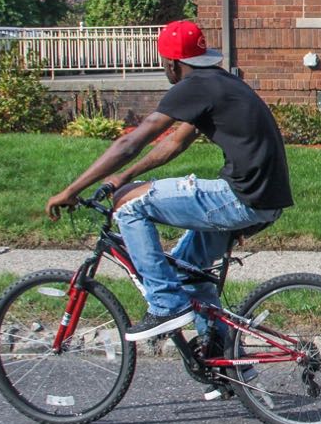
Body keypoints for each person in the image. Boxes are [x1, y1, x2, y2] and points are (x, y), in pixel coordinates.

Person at [46, 20, 293, 343]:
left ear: (173, 64)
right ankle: (225, 366)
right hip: (265, 198)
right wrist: (125, 175)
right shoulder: (219, 83)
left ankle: (165, 304)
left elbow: (129, 143)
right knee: (189, 271)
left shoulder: (196, 85)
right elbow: (175, 143)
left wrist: (70, 191)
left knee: (129, 205)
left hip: (241, 196)